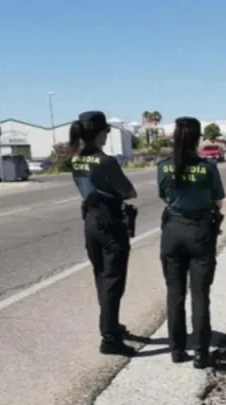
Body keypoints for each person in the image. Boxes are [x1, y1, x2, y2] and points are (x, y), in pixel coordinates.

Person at [157, 117, 226, 369]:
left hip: (173, 231)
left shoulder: (164, 166)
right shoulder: (208, 167)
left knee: (174, 293)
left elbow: (164, 197)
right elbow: (218, 201)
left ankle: (176, 350)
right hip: (200, 232)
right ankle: (200, 352)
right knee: (200, 295)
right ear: (198, 138)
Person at [68, 110, 138, 356]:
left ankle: (111, 325)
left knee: (101, 276)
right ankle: (109, 338)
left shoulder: (76, 159)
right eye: (106, 131)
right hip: (110, 223)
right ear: (99, 133)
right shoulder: (106, 161)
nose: (107, 135)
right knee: (113, 281)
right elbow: (130, 192)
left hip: (90, 221)